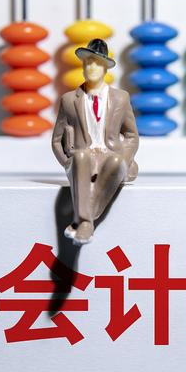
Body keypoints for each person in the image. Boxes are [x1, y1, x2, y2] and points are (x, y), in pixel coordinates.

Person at [51, 38, 139, 245]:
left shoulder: (121, 98)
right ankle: (87, 223)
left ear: (106, 68)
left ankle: (84, 221)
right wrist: (67, 163)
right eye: (88, 62)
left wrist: (124, 159)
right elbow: (56, 140)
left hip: (111, 156)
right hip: (83, 158)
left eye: (97, 63)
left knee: (115, 161)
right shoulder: (69, 100)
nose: (92, 67)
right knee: (81, 156)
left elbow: (131, 135)